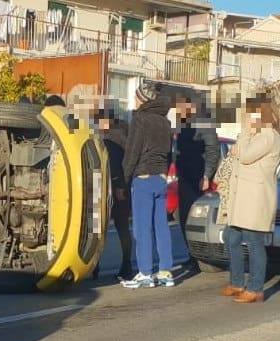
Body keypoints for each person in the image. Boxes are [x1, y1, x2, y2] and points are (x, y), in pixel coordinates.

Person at [220, 91, 280, 303]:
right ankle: (236, 281)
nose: (246, 118)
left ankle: (256, 288)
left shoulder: (268, 136)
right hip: (242, 198)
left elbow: (245, 157)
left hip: (255, 198)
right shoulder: (256, 135)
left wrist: (245, 134)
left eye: (250, 114)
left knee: (254, 242)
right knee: (231, 237)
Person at [121, 80, 174, 288]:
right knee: (161, 226)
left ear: (142, 99)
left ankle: (144, 272)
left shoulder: (140, 120)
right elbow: (170, 152)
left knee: (142, 228)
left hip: (143, 177)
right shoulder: (165, 121)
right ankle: (166, 271)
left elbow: (132, 152)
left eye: (135, 96)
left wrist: (124, 181)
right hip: (161, 177)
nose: (133, 100)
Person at [173, 91, 221, 253]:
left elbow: (213, 150)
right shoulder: (183, 123)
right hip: (184, 176)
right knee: (184, 217)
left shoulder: (204, 122)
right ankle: (192, 254)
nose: (178, 109)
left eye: (181, 106)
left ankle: (200, 254)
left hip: (199, 178)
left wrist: (207, 175)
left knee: (197, 218)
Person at [94, 105, 133, 281]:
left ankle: (95, 265)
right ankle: (127, 265)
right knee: (122, 227)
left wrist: (118, 186)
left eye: (99, 122)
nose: (98, 126)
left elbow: (115, 165)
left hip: (114, 188)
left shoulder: (111, 139)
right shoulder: (124, 134)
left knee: (98, 227)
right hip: (122, 188)